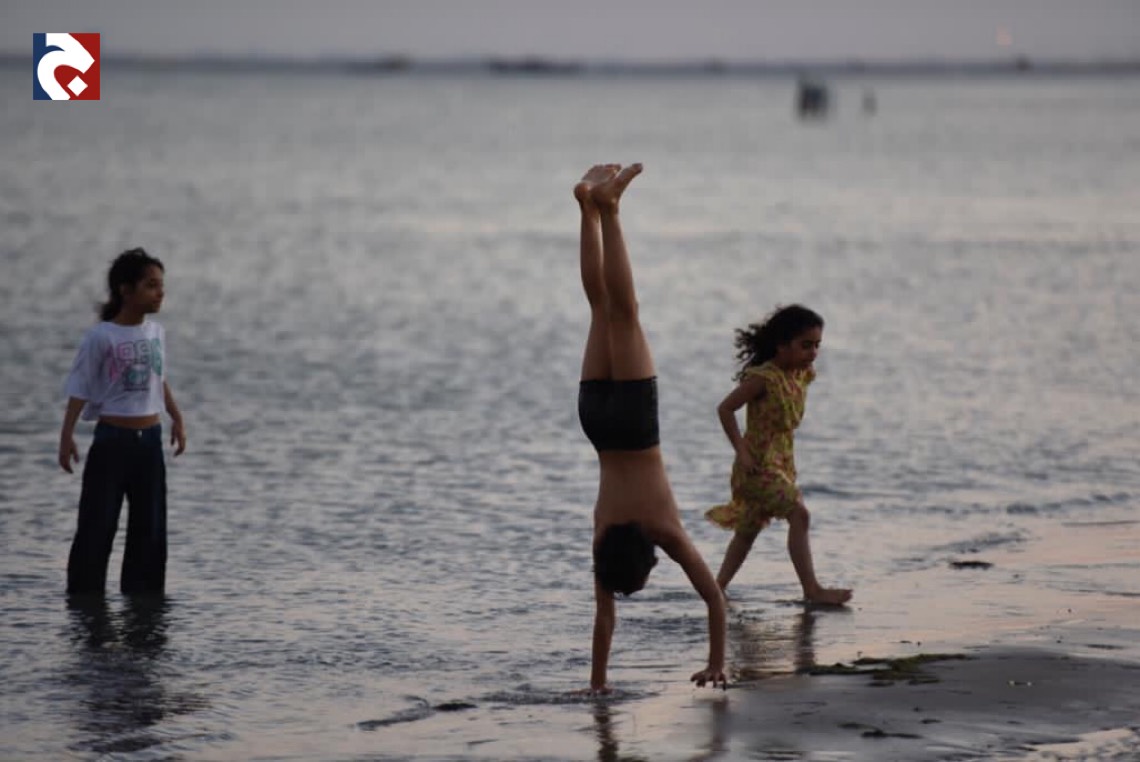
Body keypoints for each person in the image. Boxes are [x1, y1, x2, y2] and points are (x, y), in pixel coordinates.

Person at [574, 163, 726, 693]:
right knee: (600, 310)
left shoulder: (665, 531)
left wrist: (718, 662)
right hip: (596, 422)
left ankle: (610, 210)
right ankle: (587, 207)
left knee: (626, 312)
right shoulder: (601, 537)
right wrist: (596, 683)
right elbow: (603, 619)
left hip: (636, 426)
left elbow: (714, 600)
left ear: (648, 555)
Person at [59, 248, 186, 596]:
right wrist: (67, 435)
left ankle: (144, 607)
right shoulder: (101, 336)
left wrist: (176, 418)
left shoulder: (155, 332)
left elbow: (159, 378)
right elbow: (81, 386)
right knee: (97, 526)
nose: (160, 293)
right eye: (151, 285)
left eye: (161, 285)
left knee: (150, 530)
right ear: (125, 290)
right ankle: (85, 604)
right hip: (112, 441)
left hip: (150, 443)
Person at [706, 305, 852, 605]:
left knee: (747, 531)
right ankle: (812, 590)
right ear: (781, 345)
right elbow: (725, 409)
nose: (813, 353)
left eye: (817, 345)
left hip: (781, 464)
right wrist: (742, 451)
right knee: (799, 514)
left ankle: (716, 589)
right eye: (805, 345)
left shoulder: (801, 374)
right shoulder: (764, 378)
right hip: (756, 467)